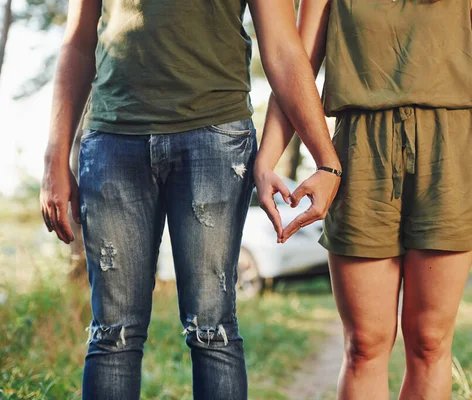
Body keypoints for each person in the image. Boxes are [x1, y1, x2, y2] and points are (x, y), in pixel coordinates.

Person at [39, 0, 341, 398]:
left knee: (212, 330)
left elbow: (284, 47)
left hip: (214, 137)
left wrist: (326, 160)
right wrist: (54, 157)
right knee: (112, 335)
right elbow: (77, 42)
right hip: (114, 138)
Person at [257, 0, 472, 399]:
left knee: (430, 340)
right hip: (360, 156)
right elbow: (297, 70)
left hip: (450, 156)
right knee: (365, 343)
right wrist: (268, 159)